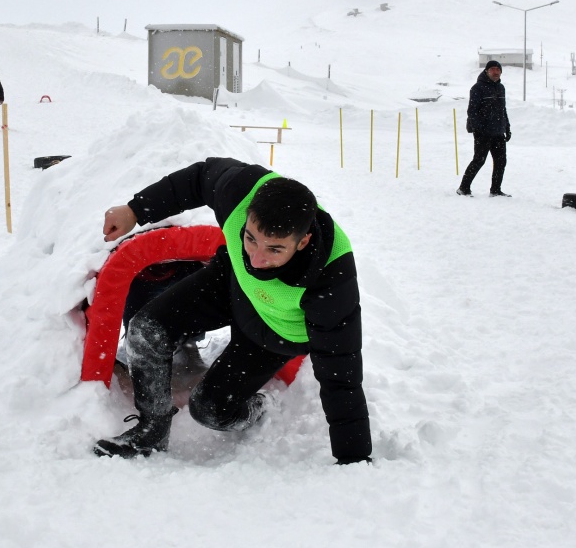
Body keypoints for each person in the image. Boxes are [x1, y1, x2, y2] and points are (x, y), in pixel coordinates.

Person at [96, 159, 371, 465]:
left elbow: (341, 373)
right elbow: (198, 178)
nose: (257, 258)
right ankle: (152, 432)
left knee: (210, 410)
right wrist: (135, 210)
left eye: (274, 249)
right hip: (234, 285)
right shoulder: (241, 191)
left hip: (274, 333)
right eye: (250, 239)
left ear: (303, 241)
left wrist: (353, 459)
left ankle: (259, 407)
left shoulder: (331, 277)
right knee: (146, 331)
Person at [459, 59, 511, 196]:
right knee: (479, 160)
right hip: (483, 132)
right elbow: (472, 111)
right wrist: (478, 129)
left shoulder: (501, 88)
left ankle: (495, 190)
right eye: (493, 69)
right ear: (487, 71)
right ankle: (463, 188)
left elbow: (503, 110)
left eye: (498, 70)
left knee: (501, 162)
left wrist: (507, 127)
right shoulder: (477, 88)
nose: (496, 72)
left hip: (498, 132)